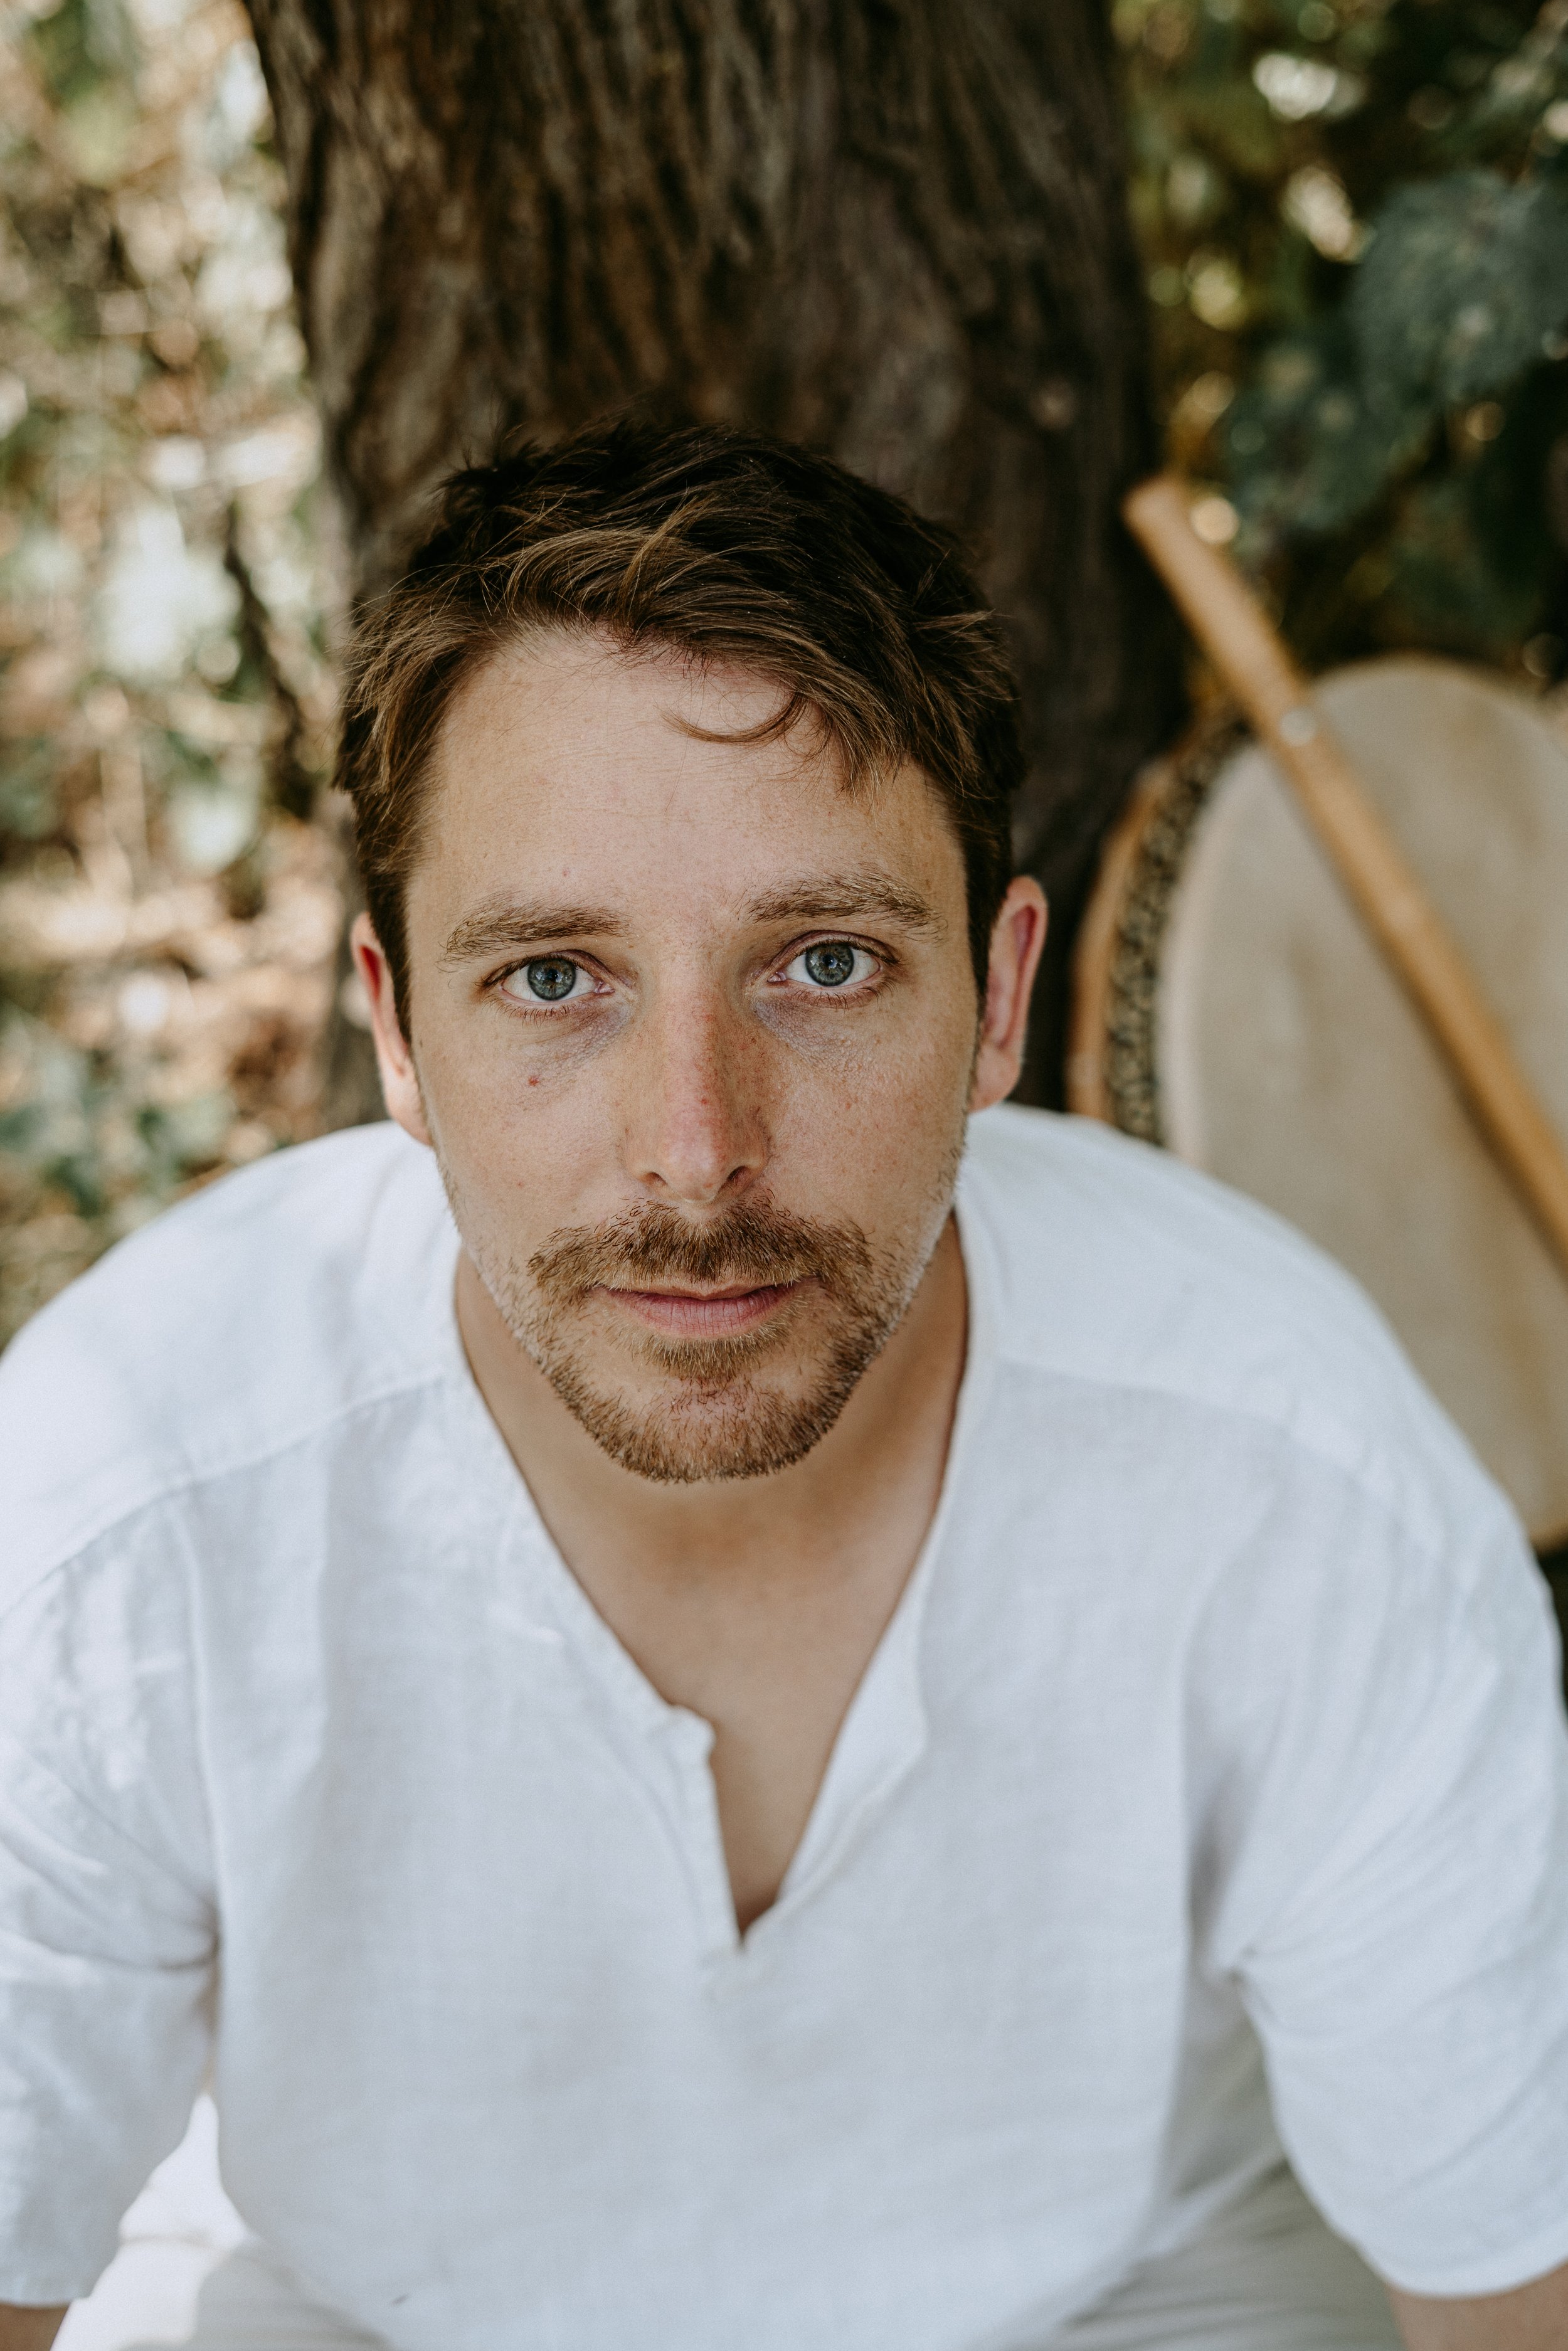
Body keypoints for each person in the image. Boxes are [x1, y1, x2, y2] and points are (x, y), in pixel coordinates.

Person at [2, 422, 1566, 2351]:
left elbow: (1508, 2300)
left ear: (996, 1001)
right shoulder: (114, 1511)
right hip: (368, 2315)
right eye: (555, 982)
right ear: (396, 1031)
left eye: (822, 961)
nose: (694, 1155)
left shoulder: (1300, 1473)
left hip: (1137, 2302)